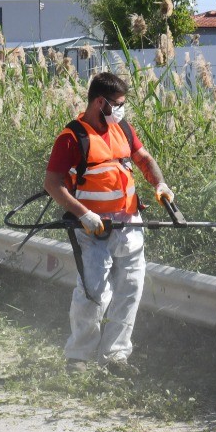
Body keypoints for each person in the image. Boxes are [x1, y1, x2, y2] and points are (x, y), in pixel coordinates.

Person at [43, 71, 173, 376]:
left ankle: (116, 357)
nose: (121, 109)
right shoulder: (72, 137)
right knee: (94, 294)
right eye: (118, 104)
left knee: (130, 290)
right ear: (99, 102)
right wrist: (83, 215)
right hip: (92, 228)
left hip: (129, 223)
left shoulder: (122, 128)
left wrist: (160, 184)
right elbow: (52, 184)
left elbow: (143, 158)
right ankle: (79, 357)